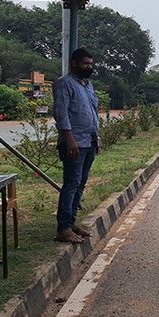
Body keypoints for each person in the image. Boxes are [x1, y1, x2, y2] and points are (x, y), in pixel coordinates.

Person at [52, 48, 99, 244]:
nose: (89, 67)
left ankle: (71, 223)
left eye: (90, 64)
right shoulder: (64, 84)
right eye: (85, 64)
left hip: (89, 142)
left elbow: (92, 113)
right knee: (71, 183)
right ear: (74, 63)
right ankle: (63, 228)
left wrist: (96, 139)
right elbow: (61, 114)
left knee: (80, 184)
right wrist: (69, 139)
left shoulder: (87, 85)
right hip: (74, 143)